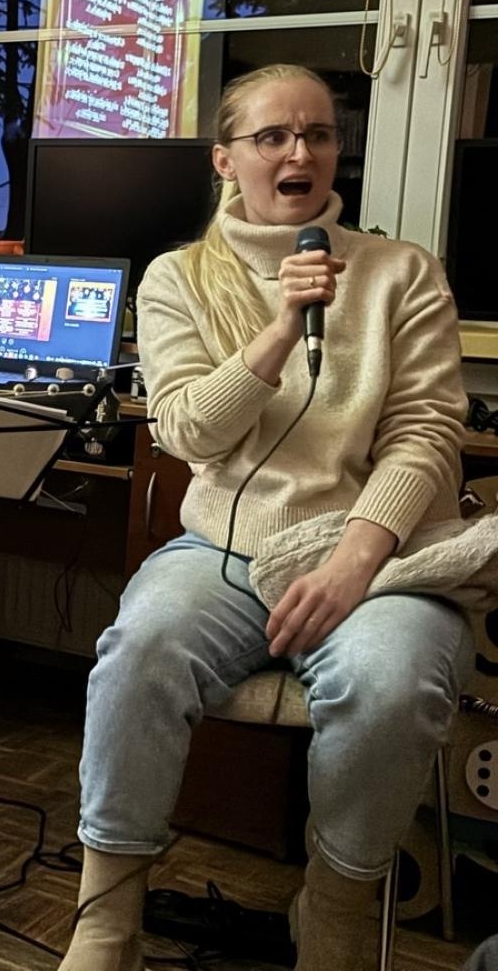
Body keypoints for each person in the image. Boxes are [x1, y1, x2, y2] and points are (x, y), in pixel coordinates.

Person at [61, 64, 475, 971]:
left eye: (320, 135)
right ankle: (107, 917)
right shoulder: (177, 278)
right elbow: (190, 431)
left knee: (391, 682)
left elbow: (426, 435)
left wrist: (353, 564)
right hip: (226, 547)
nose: (302, 152)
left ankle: (332, 906)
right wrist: (280, 327)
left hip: (379, 553)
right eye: (275, 136)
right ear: (225, 159)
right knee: (139, 652)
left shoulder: (404, 272)